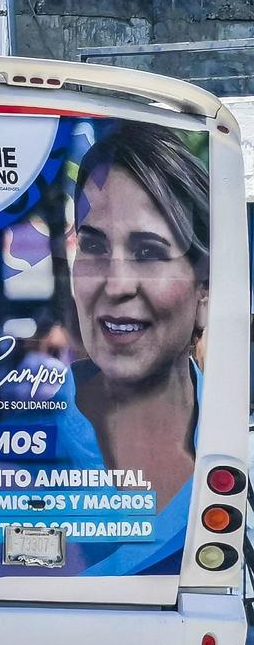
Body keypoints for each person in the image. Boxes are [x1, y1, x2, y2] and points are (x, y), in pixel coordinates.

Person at [61, 122, 209, 575]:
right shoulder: (13, 429)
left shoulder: (233, 455)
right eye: (93, 245)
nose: (117, 283)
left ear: (205, 289)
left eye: (147, 251)